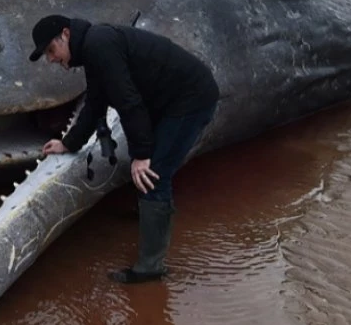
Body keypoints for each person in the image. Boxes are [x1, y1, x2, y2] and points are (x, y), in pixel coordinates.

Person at [29, 14, 219, 284]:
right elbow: (96, 102)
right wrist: (69, 143)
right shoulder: (93, 48)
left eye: (51, 50)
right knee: (146, 161)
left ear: (66, 34)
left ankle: (150, 268)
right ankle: (149, 211)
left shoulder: (99, 45)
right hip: (167, 100)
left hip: (189, 100)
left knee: (153, 172)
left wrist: (142, 155)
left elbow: (128, 101)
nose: (51, 59)